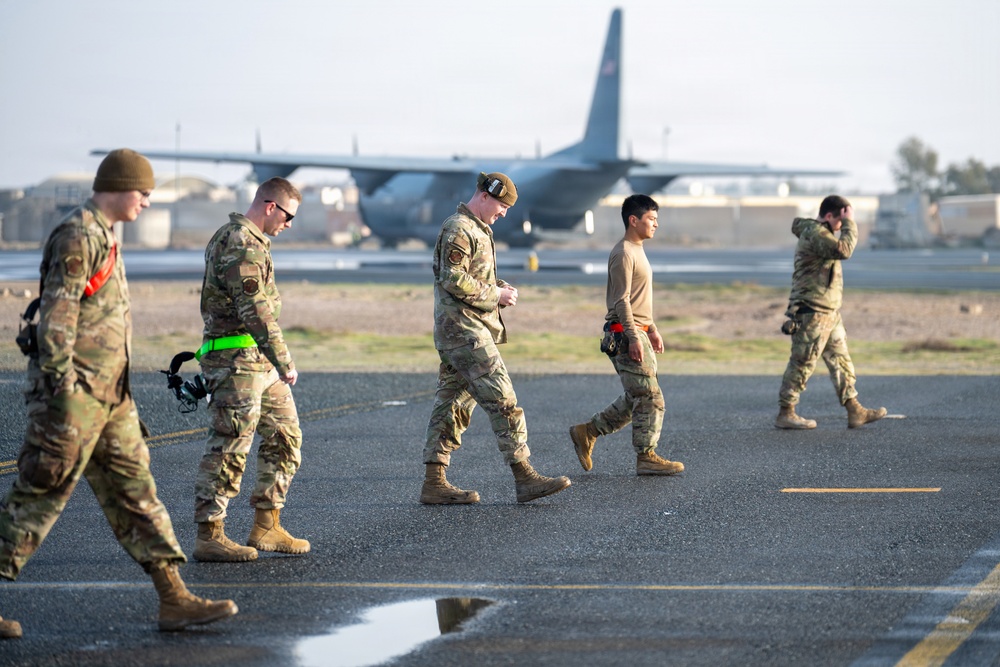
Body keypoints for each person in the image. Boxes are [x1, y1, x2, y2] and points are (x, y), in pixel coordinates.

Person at [0, 149, 238, 639]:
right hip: (73, 400)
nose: (148, 203)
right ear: (119, 187)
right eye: (144, 193)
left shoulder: (104, 235)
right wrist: (65, 395)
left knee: (137, 492)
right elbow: (58, 321)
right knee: (38, 496)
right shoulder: (79, 234)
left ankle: (174, 598)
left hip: (109, 399)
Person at [421, 172, 571, 504]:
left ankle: (434, 481)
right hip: (464, 332)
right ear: (485, 196)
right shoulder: (459, 229)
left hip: (463, 330)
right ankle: (524, 476)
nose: (503, 213)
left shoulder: (477, 230)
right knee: (503, 399)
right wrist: (495, 296)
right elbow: (452, 278)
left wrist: (498, 286)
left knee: (452, 407)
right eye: (501, 206)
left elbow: (471, 275)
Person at [192, 177, 310, 561]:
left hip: (257, 362)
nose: (289, 224)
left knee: (285, 435)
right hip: (235, 362)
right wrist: (284, 359)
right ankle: (210, 534)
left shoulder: (253, 242)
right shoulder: (240, 242)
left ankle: (267, 526)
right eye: (288, 215)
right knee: (230, 446)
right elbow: (254, 310)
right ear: (270, 206)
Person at [569, 194, 685, 476]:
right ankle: (646, 456)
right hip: (623, 332)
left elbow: (639, 298)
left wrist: (652, 328)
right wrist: (633, 337)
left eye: (657, 219)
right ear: (634, 220)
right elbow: (621, 301)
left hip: (638, 330)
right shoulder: (623, 253)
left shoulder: (637, 249)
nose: (656, 224)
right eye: (651, 219)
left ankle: (588, 431)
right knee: (650, 396)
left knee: (638, 394)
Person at [774, 195, 887, 429]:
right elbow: (844, 250)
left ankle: (854, 409)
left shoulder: (821, 233)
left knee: (841, 360)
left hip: (828, 312)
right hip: (812, 311)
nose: (841, 227)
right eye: (839, 221)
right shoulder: (816, 234)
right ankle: (786, 412)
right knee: (802, 363)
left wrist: (844, 222)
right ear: (829, 216)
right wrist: (850, 223)